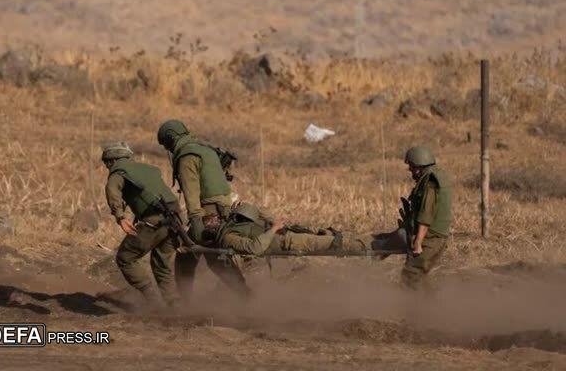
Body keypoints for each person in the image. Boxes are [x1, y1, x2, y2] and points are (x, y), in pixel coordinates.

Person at [156, 119, 250, 300]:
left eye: (166, 144)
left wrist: (196, 221)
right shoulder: (205, 149)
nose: (167, 149)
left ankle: (185, 304)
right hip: (224, 208)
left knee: (190, 257)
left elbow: (191, 193)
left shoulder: (186, 156)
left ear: (171, 138)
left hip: (209, 213)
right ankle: (245, 296)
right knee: (215, 258)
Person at [102, 141, 181, 307]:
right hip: (175, 221)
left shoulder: (118, 172)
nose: (107, 167)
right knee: (162, 266)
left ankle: (154, 303)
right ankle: (175, 306)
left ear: (112, 161)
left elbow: (112, 190)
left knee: (125, 258)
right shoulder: (148, 169)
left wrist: (120, 217)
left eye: (107, 163)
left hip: (154, 221)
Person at [209, 202, 373, 257]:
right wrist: (273, 229)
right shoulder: (228, 236)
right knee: (334, 243)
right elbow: (255, 248)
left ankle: (374, 239)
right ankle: (375, 246)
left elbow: (274, 219)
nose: (215, 219)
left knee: (333, 234)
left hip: (288, 232)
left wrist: (249, 208)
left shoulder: (234, 221)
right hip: (287, 242)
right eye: (210, 221)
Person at [397, 145, 453, 289]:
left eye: (411, 166)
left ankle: (417, 309)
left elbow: (426, 215)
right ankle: (430, 308)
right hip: (437, 236)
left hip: (430, 238)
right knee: (420, 278)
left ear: (418, 166)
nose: (410, 170)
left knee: (411, 275)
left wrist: (418, 242)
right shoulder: (436, 175)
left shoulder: (429, 183)